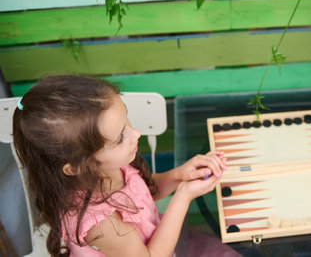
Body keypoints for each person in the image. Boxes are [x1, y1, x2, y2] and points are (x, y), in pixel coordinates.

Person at [12, 75, 231, 256]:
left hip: (162, 237)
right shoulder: (101, 224)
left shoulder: (107, 167)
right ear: (79, 165)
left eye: (126, 119)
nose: (136, 134)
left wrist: (179, 175)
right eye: (119, 138)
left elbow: (145, 192)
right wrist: (183, 196)